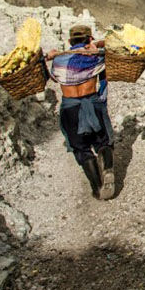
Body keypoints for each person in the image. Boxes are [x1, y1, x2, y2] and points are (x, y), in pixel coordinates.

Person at [45, 23, 116, 200]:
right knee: (103, 141)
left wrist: (51, 55)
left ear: (70, 41)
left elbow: (51, 76)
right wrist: (96, 46)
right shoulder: (95, 57)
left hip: (70, 107)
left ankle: (97, 187)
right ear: (89, 39)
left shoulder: (60, 61)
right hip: (92, 103)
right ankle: (107, 169)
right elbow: (113, 50)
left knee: (81, 148)